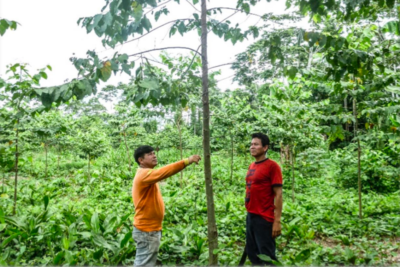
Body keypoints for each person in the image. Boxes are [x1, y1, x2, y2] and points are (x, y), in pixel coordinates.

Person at [132, 145, 201, 266]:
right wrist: (187, 161)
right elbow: (164, 172)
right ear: (140, 160)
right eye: (149, 154)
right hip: (147, 230)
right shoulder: (144, 175)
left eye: (154, 153)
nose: (154, 155)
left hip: (150, 229)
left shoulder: (147, 174)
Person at [245, 133, 283, 265]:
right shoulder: (252, 166)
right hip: (251, 215)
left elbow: (278, 194)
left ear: (265, 147)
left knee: (266, 254)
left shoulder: (272, 166)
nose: (252, 147)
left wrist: (277, 221)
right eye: (251, 144)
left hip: (264, 217)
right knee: (252, 252)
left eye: (256, 144)